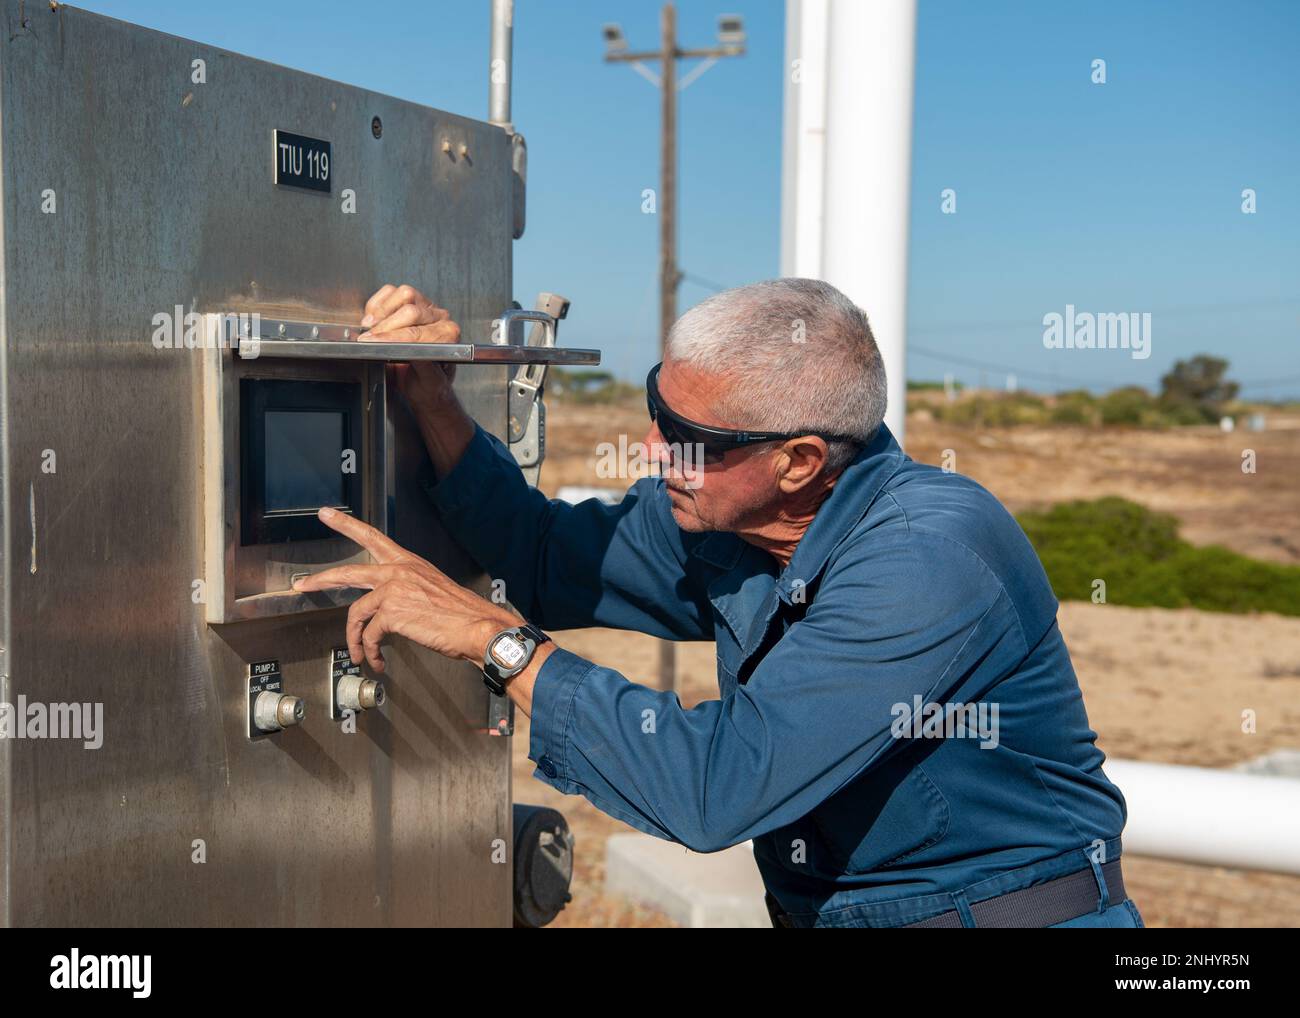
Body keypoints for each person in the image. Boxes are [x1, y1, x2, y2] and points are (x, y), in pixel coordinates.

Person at [294, 278, 1143, 928]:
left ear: (800, 461)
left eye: (689, 438)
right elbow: (545, 555)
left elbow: (719, 788)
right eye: (657, 407)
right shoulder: (724, 519)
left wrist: (497, 641)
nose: (655, 449)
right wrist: (432, 399)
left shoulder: (926, 558)